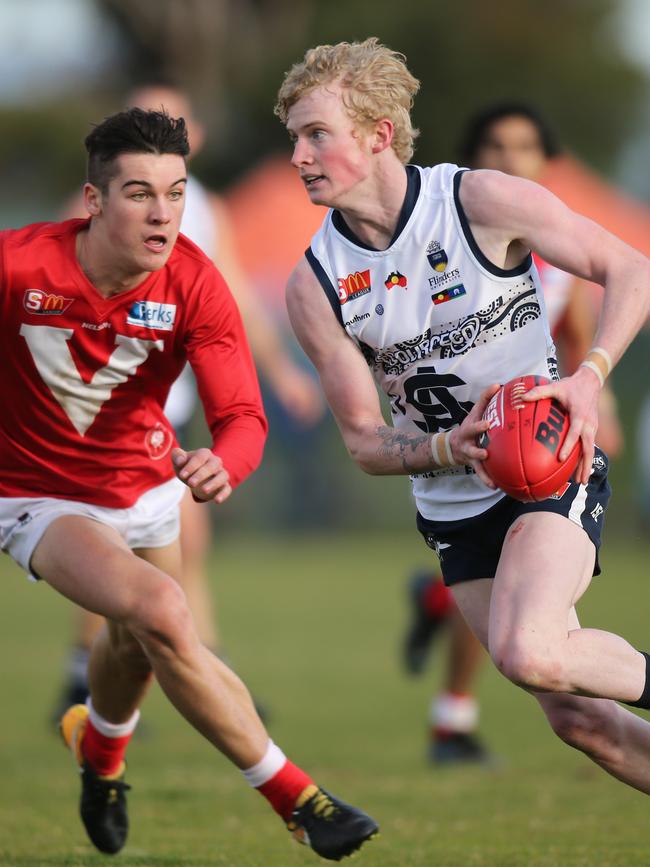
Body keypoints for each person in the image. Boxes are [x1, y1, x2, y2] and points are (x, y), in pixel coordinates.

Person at [276, 38, 650, 805]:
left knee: (528, 650)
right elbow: (362, 441)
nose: (298, 156)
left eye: (317, 134)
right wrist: (449, 444)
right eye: (293, 139)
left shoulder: (477, 200)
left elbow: (631, 268)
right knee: (581, 720)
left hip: (550, 463)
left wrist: (589, 376)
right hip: (454, 506)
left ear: (378, 134)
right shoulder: (315, 285)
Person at [0, 107, 377, 859]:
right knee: (165, 609)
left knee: (140, 641)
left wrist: (224, 461)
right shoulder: (18, 268)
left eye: (175, 192)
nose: (163, 212)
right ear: (93, 201)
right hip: (34, 494)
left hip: (146, 489)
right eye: (139, 192)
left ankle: (99, 755)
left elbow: (241, 415)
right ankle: (298, 797)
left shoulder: (196, 283)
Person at [51, 84, 324, 720]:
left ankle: (123, 676)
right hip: (103, 401)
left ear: (193, 133)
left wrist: (281, 367)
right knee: (140, 538)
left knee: (154, 539)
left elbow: (234, 297)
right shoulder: (99, 201)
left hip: (166, 398)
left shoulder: (204, 209)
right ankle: (189, 671)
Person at [401, 101, 624, 765]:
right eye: (495, 146)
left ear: (544, 161)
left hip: (538, 450)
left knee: (530, 639)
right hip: (462, 463)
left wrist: (593, 394)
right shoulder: (444, 252)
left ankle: (452, 707)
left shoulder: (557, 253)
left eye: (524, 146)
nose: (509, 158)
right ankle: (451, 701)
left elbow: (580, 334)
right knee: (561, 695)